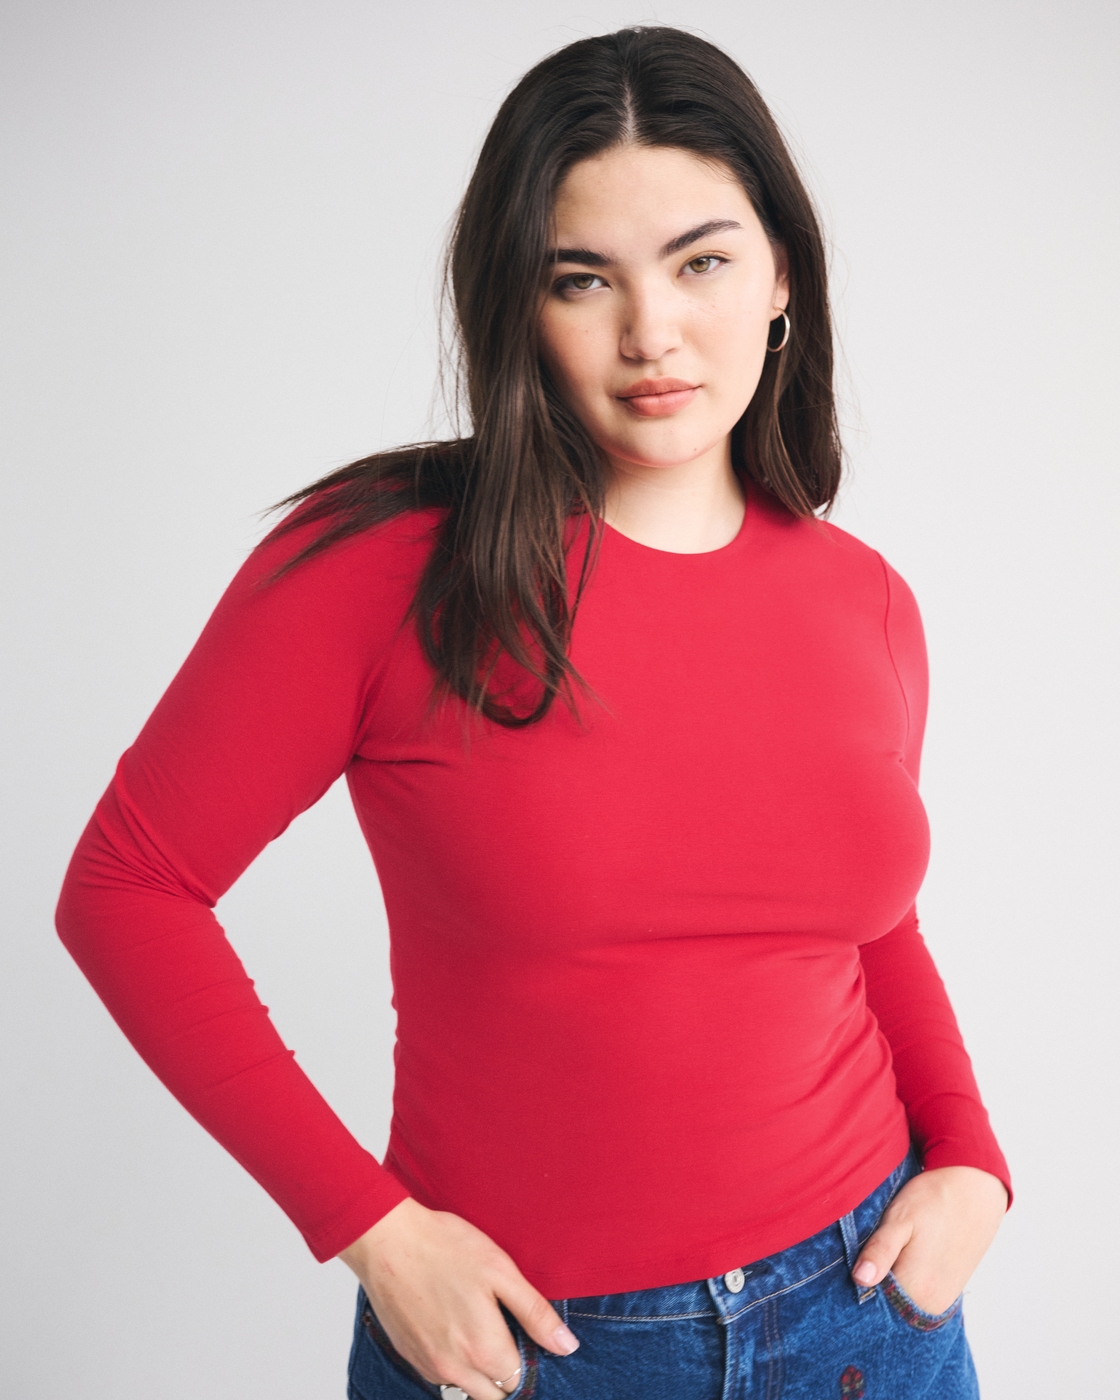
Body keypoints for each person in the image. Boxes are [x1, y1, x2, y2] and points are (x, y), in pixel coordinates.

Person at [56, 25, 1010, 1400]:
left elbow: (868, 927)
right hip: (532, 1351)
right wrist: (373, 1229)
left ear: (781, 275)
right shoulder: (382, 567)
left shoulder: (864, 599)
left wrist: (971, 1154)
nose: (651, 332)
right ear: (520, 303)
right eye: (584, 279)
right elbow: (127, 887)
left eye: (701, 261)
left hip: (867, 1316)